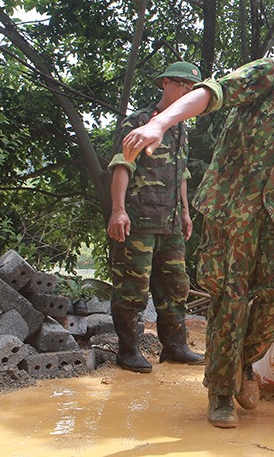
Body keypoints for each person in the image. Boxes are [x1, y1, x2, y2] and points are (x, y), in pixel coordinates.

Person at [119, 25, 274, 428]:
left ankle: (240, 364)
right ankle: (220, 395)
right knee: (230, 299)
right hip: (231, 204)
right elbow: (213, 92)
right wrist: (161, 122)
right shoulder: (272, 76)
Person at [108, 61, 205, 374]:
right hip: (139, 220)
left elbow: (182, 176)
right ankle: (128, 351)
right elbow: (123, 165)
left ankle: (175, 347)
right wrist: (118, 209)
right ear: (164, 83)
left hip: (172, 223)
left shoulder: (180, 128)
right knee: (132, 289)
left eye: (192, 88)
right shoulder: (139, 121)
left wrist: (187, 213)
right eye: (181, 84)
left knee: (176, 287)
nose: (186, 91)